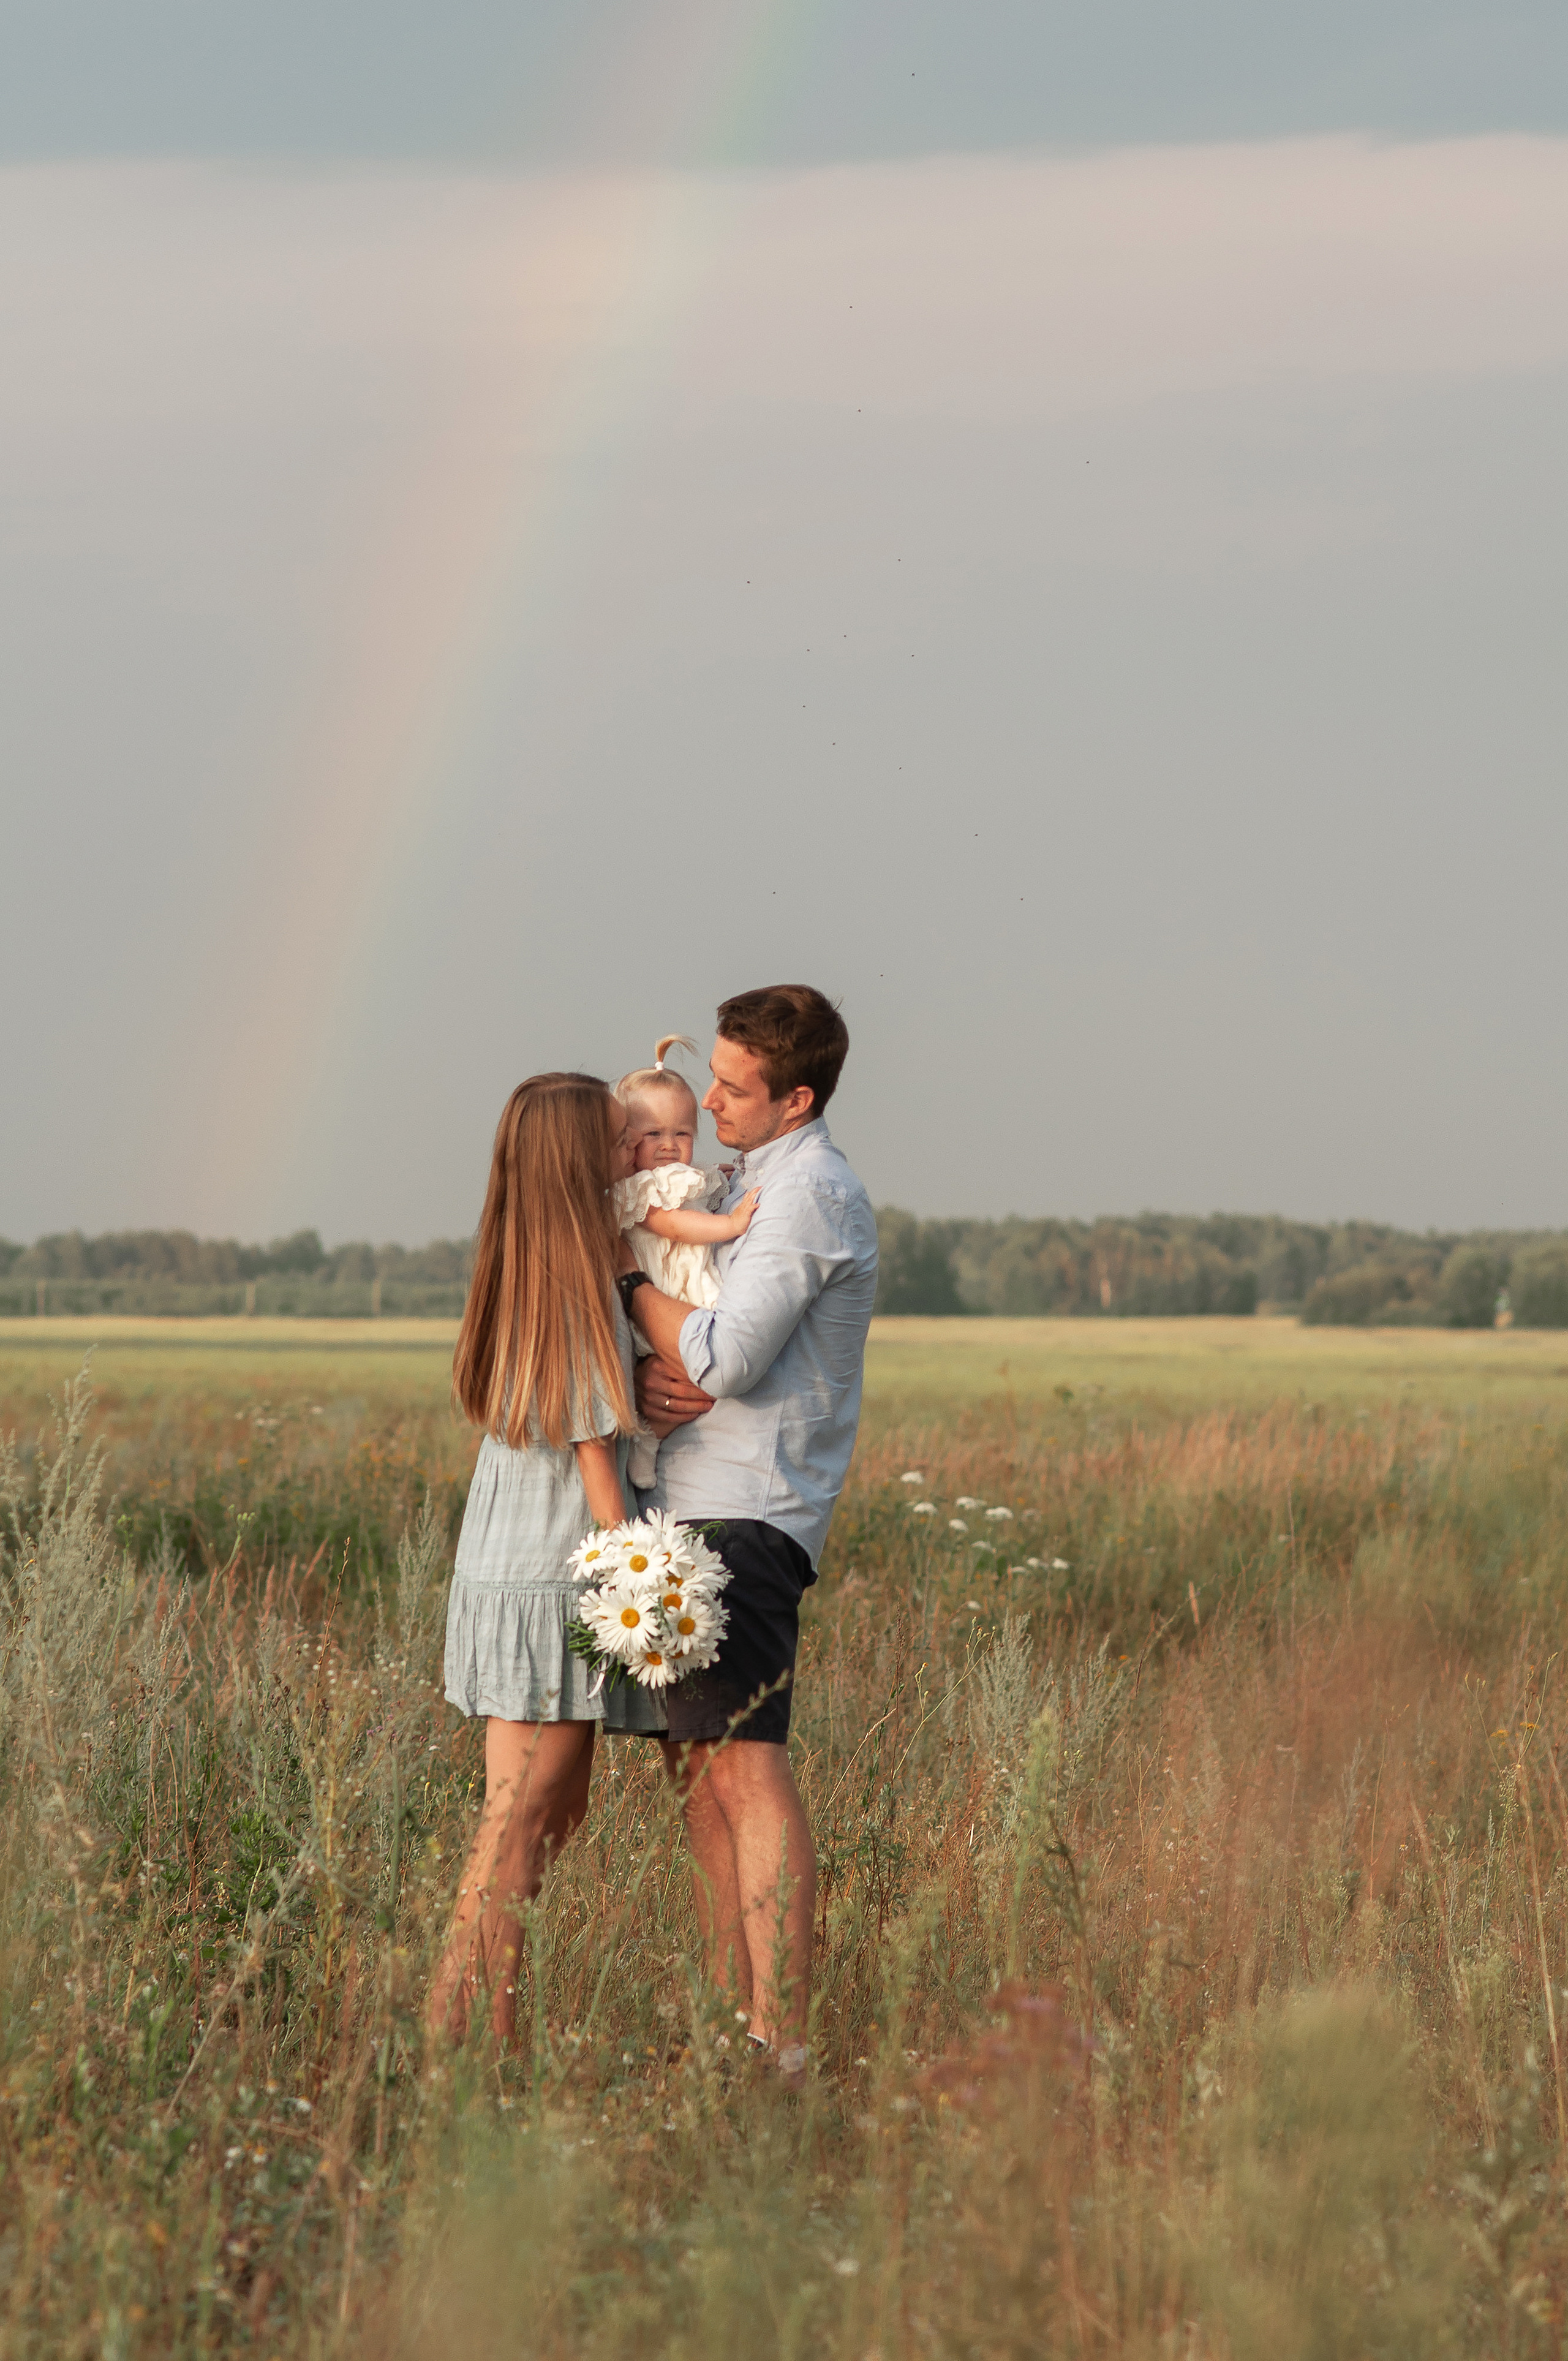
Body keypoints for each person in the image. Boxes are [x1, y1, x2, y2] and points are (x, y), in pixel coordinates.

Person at [618, 985, 878, 2082]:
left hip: (749, 1514)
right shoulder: (748, 1179)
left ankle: (781, 2039)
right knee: (697, 1767)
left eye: (734, 1086)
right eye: (714, 1076)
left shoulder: (810, 1193)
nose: (712, 1098)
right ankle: (742, 2022)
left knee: (746, 1764)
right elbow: (692, 1353)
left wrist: (632, 1285)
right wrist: (647, 1372)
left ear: (798, 1096)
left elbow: (723, 1356)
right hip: (691, 1502)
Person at [426, 1071, 666, 2046]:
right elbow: (598, 1464)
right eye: (618, 1144)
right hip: (556, 1582)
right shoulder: (574, 1288)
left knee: (533, 1821)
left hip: (509, 1568)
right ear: (580, 1162)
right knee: (518, 1836)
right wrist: (642, 1590)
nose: (633, 1158)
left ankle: (480, 2037)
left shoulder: (528, 1268)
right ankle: (468, 2038)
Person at [611, 1034, 761, 1486]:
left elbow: (699, 1194)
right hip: (668, 1284)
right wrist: (731, 1226)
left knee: (697, 1369)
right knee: (682, 1363)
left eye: (682, 1134)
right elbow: (674, 1227)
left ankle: (656, 1436)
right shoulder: (640, 1190)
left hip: (683, 1277)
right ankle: (648, 1438)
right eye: (652, 1135)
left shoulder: (678, 1178)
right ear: (626, 1140)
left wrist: (727, 1179)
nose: (669, 1146)